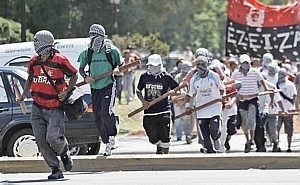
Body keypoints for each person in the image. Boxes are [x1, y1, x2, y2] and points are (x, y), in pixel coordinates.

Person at [20, 30, 77, 179]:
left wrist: (66, 91)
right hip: (37, 107)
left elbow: (74, 75)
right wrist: (24, 94)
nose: (34, 44)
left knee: (52, 137)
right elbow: (30, 79)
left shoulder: (60, 60)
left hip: (55, 108)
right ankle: (55, 169)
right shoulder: (34, 61)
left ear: (45, 43)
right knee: (40, 140)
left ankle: (64, 153)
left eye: (37, 41)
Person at [77, 24, 123, 156]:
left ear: (102, 36)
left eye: (96, 35)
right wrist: (86, 77)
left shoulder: (111, 51)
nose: (93, 38)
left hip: (108, 85)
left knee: (105, 112)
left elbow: (121, 65)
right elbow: (81, 68)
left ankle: (113, 136)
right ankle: (106, 140)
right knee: (97, 117)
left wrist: (117, 70)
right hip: (94, 88)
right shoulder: (87, 52)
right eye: (92, 35)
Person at [136, 54, 179, 154]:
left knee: (164, 135)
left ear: (160, 65)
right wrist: (143, 101)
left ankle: (165, 157)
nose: (153, 68)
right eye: (151, 66)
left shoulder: (166, 77)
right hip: (149, 111)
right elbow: (138, 91)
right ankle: (158, 145)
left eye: (155, 66)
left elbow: (177, 90)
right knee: (152, 137)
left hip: (164, 110)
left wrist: (174, 93)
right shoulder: (144, 76)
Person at [231, 54, 270, 153]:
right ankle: (247, 140)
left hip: (253, 98)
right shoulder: (236, 74)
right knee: (244, 123)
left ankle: (251, 140)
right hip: (242, 100)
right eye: (243, 63)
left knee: (251, 120)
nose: (245, 65)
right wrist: (237, 94)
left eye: (247, 63)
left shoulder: (254, 72)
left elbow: (262, 81)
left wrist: (267, 89)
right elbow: (232, 85)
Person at [186, 56, 225, 153]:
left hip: (214, 107)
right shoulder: (194, 79)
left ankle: (216, 138)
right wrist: (188, 106)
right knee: (204, 134)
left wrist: (222, 97)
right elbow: (189, 94)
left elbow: (222, 88)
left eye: (202, 65)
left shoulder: (214, 76)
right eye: (198, 65)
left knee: (214, 130)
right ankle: (210, 150)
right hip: (201, 109)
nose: (200, 68)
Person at [277, 68, 298, 152]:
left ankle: (289, 146)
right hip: (278, 110)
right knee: (277, 129)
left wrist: (293, 105)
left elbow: (294, 96)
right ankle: (277, 145)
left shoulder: (290, 85)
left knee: (289, 129)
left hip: (288, 109)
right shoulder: (276, 84)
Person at [172, 61, 193, 143]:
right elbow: (174, 88)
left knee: (187, 119)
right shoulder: (178, 77)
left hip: (187, 100)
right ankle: (179, 136)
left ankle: (188, 135)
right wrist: (177, 97)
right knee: (178, 119)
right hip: (178, 100)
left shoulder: (192, 77)